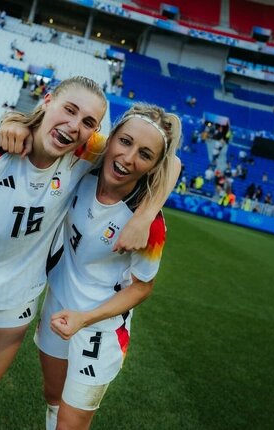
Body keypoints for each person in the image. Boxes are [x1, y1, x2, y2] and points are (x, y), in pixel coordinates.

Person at [0, 77, 178, 430]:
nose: (75, 126)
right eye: (69, 110)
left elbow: (169, 161)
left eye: (88, 122)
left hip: (18, 297)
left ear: (95, 132)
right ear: (48, 100)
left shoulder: (87, 152)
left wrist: (145, 216)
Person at [33, 104, 181, 430]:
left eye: (145, 154)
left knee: (70, 424)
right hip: (57, 306)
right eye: (125, 142)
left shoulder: (151, 226)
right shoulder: (88, 162)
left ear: (154, 166)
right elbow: (42, 126)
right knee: (53, 398)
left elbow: (142, 287)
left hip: (100, 330)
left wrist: (145, 216)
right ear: (110, 138)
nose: (128, 158)